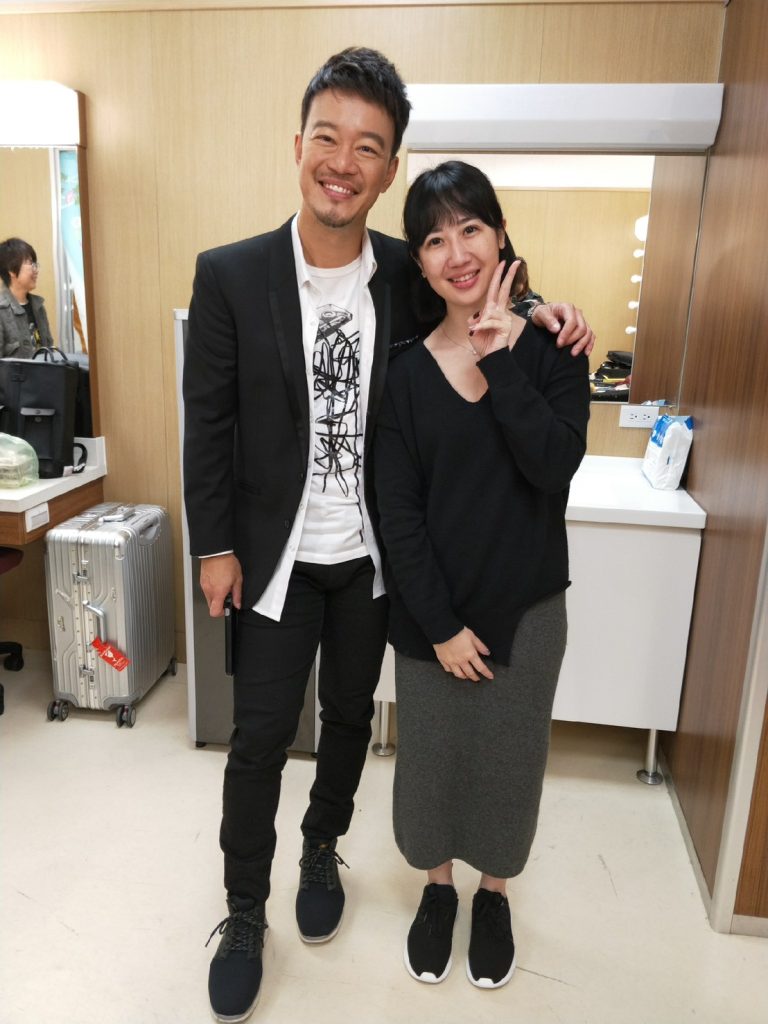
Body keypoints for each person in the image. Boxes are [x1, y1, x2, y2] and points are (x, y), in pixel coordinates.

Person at [183, 48, 594, 1023]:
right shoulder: (230, 274)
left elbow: (481, 287)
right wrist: (214, 545)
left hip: (375, 560)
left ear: (387, 167)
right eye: (328, 138)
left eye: (368, 147)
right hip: (277, 560)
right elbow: (209, 419)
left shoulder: (405, 269)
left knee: (350, 722)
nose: (344, 161)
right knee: (258, 738)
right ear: (299, 146)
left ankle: (323, 846)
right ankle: (245, 910)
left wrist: (546, 312)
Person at [373, 160, 591, 990]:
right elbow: (399, 517)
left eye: (471, 228)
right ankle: (438, 891)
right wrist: (439, 627)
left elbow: (553, 465)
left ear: (501, 237)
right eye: (435, 239)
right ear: (420, 263)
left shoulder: (553, 348)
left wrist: (502, 358)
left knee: (508, 766)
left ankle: (493, 895)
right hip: (433, 618)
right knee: (431, 767)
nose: (457, 252)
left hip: (527, 612)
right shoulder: (403, 374)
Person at [0, 237, 54, 357]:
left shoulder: (39, 307)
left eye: (36, 264)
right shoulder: (2, 310)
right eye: (31, 264)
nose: (36, 270)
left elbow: (49, 350)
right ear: (11, 270)